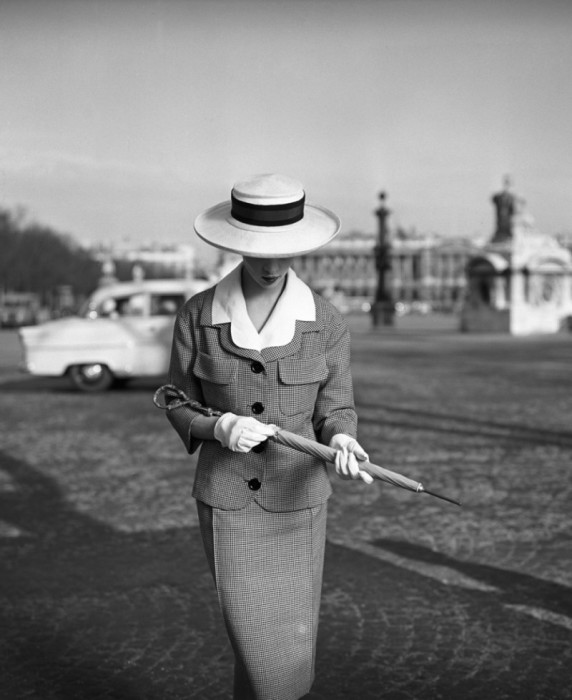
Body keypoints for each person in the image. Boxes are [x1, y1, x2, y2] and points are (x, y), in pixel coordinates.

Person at [164, 173, 373, 700]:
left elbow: (337, 407)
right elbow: (173, 399)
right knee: (252, 636)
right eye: (259, 250)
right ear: (235, 243)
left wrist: (344, 440)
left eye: (285, 250)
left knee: (289, 644)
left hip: (299, 503)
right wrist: (218, 426)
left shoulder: (325, 321)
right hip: (229, 502)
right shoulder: (197, 315)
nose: (272, 264)